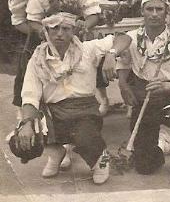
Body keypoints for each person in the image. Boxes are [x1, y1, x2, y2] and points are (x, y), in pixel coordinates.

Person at [15, 11, 130, 184]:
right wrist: (26, 124)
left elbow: (124, 37)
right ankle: (56, 153)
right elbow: (30, 96)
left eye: (66, 29)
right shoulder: (37, 59)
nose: (60, 33)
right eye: (54, 28)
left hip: (84, 110)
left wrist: (112, 54)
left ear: (74, 30)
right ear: (46, 30)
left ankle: (100, 160)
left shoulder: (88, 49)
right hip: (53, 112)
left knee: (85, 139)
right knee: (21, 140)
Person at [115, 0, 170, 187]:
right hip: (145, 100)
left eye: (159, 9)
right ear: (142, 12)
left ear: (166, 12)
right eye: (149, 9)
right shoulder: (132, 37)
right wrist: (123, 83)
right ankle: (164, 145)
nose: (154, 14)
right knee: (144, 166)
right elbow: (123, 60)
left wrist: (165, 87)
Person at [8, 0, 51, 113]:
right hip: (34, 34)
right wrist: (39, 33)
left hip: (63, 32)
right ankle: (25, 115)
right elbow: (17, 19)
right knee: (28, 72)